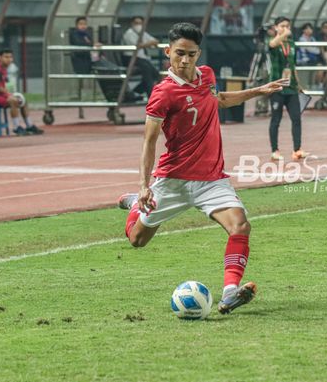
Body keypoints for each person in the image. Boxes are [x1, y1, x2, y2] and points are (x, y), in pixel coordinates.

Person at [116, 22, 289, 315]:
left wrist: (258, 90)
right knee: (137, 240)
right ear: (168, 52)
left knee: (240, 225)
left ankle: (230, 293)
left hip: (211, 180)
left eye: (191, 54)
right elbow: (149, 142)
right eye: (179, 54)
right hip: (172, 181)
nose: (185, 60)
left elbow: (218, 100)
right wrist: (145, 186)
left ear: (199, 54)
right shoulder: (163, 93)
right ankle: (136, 202)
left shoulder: (206, 75)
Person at [268, 16, 308, 162]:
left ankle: (297, 149)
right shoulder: (273, 42)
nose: (286, 28)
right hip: (277, 88)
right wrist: (282, 35)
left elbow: (293, 66)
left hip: (290, 88)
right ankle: (275, 150)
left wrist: (299, 85)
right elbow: (272, 45)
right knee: (276, 119)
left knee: (296, 118)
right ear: (276, 27)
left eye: (288, 26)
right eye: (282, 26)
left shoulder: (291, 44)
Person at [0, 49, 44, 136]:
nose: (9, 59)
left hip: (2, 95)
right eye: (6, 57)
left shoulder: (4, 69)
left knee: (23, 100)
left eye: (10, 57)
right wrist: (10, 95)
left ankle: (29, 125)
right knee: (13, 101)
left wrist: (13, 95)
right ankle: (16, 127)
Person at [121, 16, 161, 99]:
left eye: (140, 23)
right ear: (132, 24)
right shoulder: (129, 33)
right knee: (147, 69)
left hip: (142, 58)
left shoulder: (143, 33)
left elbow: (155, 41)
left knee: (155, 74)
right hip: (131, 58)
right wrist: (148, 43)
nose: (138, 25)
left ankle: (136, 91)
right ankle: (151, 96)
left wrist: (148, 43)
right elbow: (137, 45)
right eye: (136, 23)